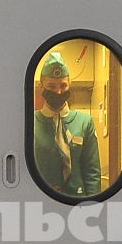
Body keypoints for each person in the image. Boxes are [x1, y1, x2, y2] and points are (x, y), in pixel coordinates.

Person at [31, 51, 103, 198]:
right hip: (41, 198)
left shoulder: (85, 122)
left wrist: (93, 206)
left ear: (70, 85)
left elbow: (92, 171)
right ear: (41, 86)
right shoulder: (30, 122)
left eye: (63, 85)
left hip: (77, 199)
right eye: (51, 86)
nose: (58, 91)